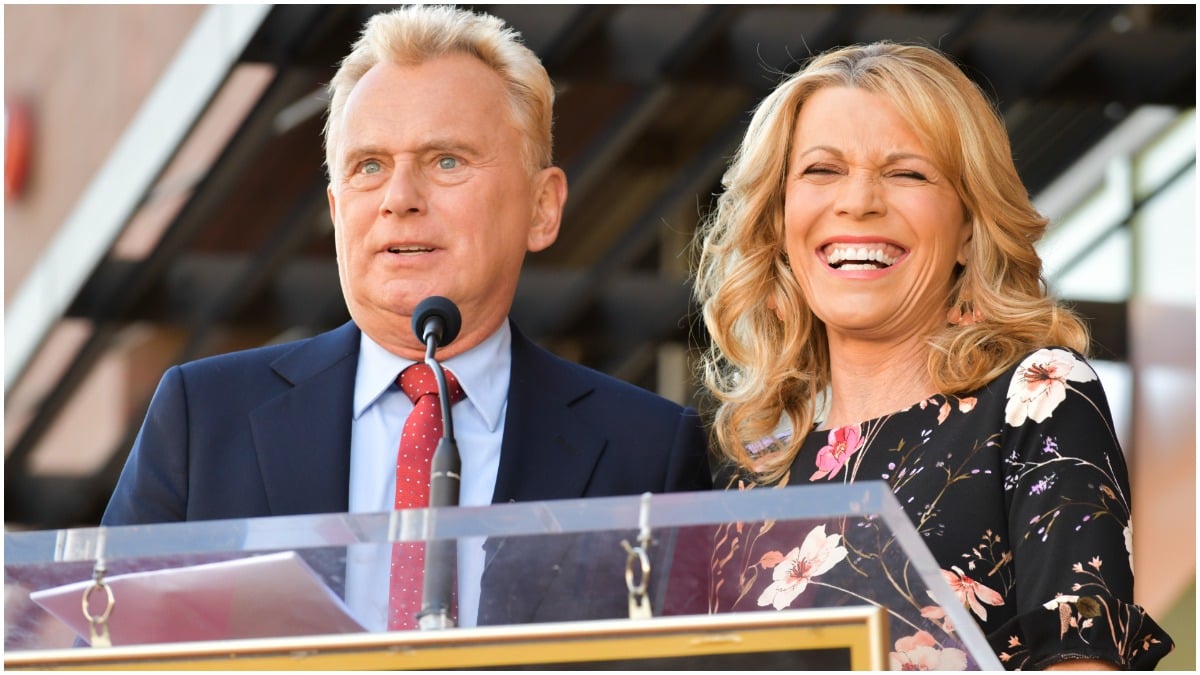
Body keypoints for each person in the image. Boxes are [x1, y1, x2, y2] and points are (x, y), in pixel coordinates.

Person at [102, 5, 711, 632]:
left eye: (446, 161)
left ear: (541, 207)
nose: (399, 199)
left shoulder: (645, 452)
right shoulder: (203, 419)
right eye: (369, 166)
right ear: (338, 211)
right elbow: (93, 646)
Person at [690, 41, 1172, 669]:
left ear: (970, 230)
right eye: (821, 171)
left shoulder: (1039, 399)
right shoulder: (751, 466)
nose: (858, 201)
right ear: (779, 221)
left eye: (907, 173)